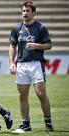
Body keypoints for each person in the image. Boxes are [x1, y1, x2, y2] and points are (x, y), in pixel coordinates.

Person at [9, 1, 54, 132]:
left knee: (41, 94)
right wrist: (12, 62)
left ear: (33, 12)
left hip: (36, 64)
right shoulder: (16, 29)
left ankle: (48, 123)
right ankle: (26, 124)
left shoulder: (41, 28)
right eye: (23, 11)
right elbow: (12, 46)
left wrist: (36, 45)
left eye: (27, 11)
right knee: (22, 95)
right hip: (21, 65)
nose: (25, 13)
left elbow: (49, 45)